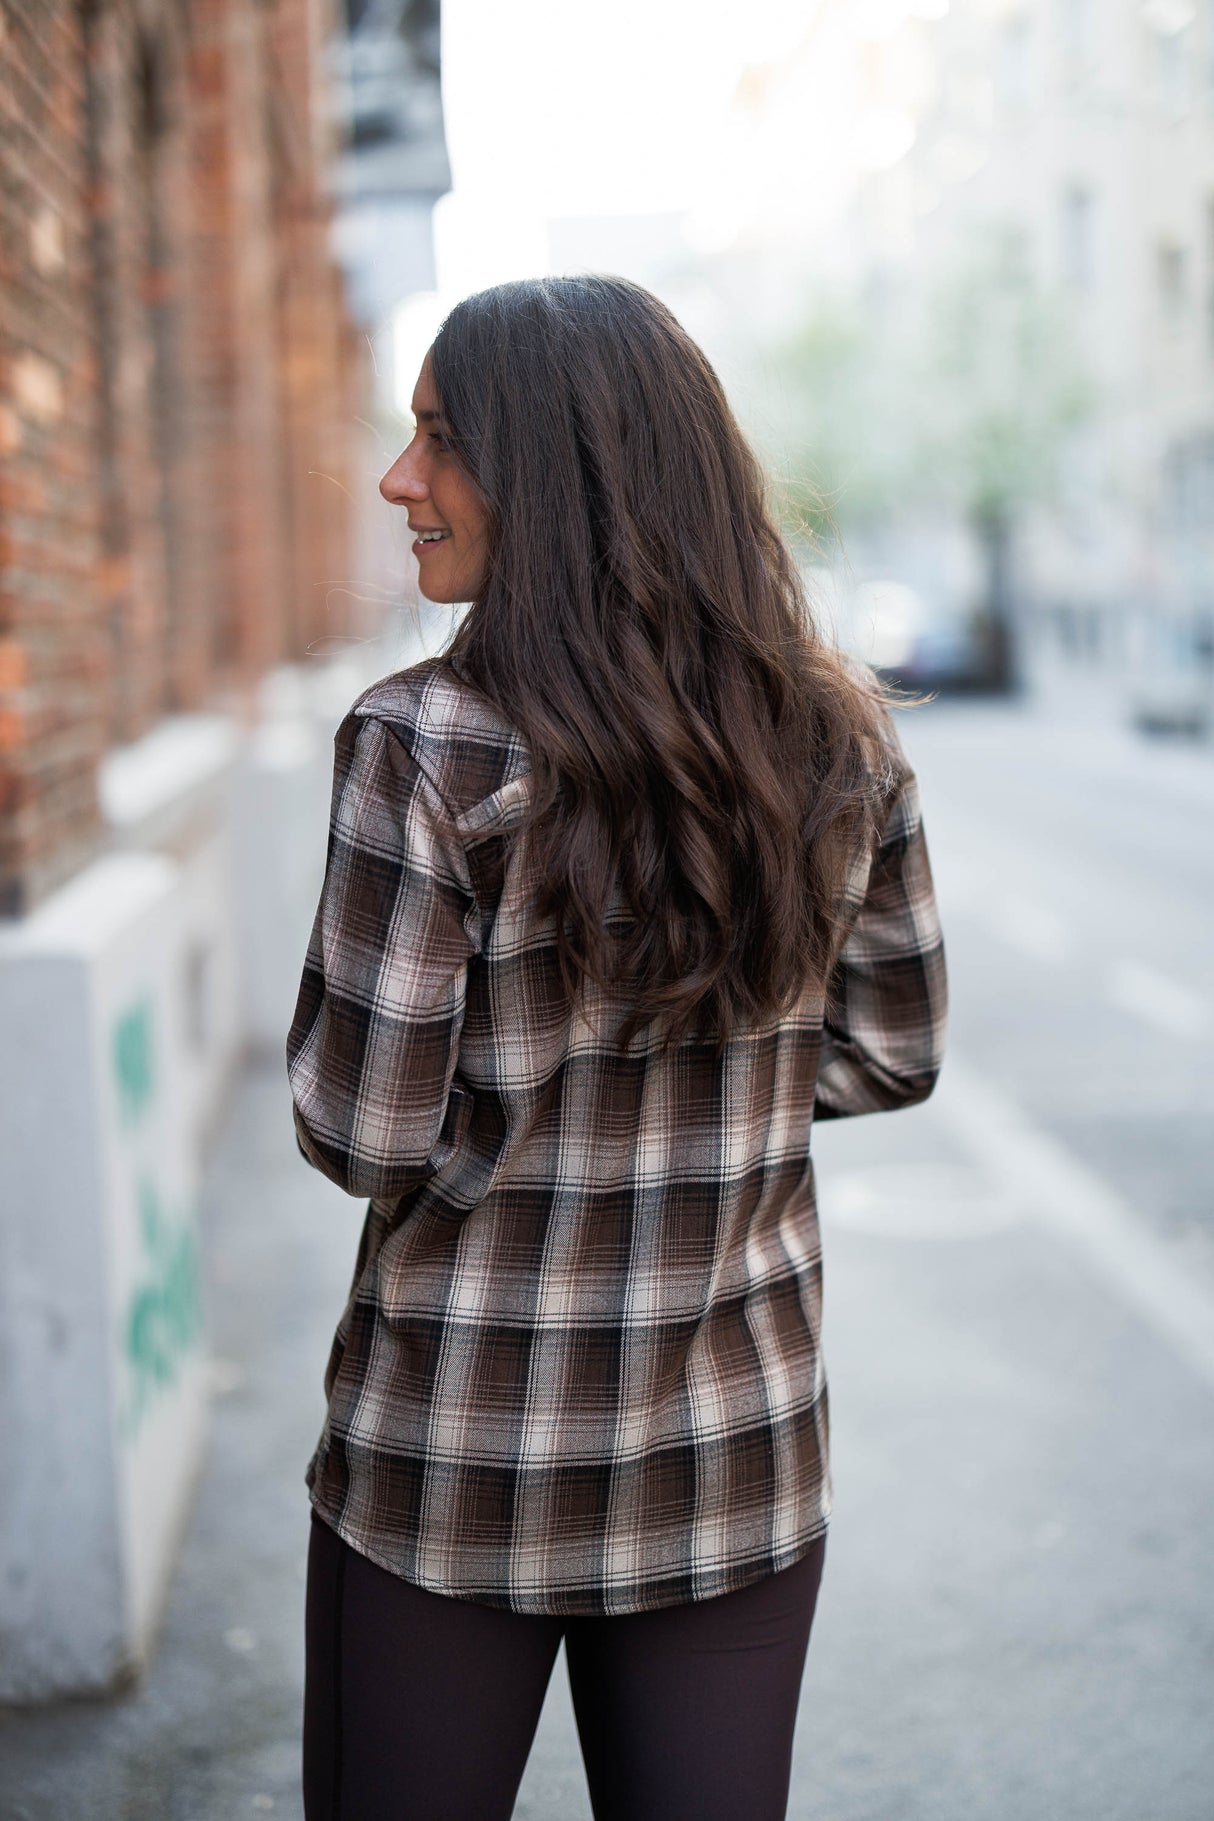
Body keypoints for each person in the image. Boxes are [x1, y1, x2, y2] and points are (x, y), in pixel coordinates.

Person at [286, 274, 948, 1821]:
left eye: (440, 442)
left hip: (457, 1460)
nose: (400, 481)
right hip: (732, 1452)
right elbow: (889, 1049)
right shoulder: (836, 739)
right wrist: (710, 1097)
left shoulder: (420, 748)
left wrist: (524, 1115)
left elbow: (362, 1133)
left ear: (558, 480)